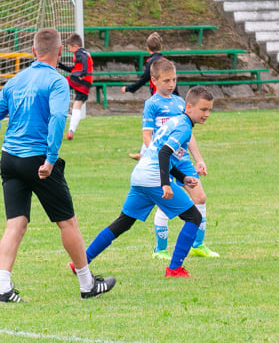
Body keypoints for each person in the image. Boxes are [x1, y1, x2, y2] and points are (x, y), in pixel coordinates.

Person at [0, 28, 116, 302]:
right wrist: (51, 159)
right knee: (68, 223)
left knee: (15, 224)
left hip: (10, 160)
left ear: (33, 52)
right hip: (37, 159)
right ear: (60, 52)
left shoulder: (16, 81)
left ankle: (2, 288)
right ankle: (87, 284)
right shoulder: (56, 82)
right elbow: (57, 119)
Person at [73, 86, 215, 279]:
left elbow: (161, 154)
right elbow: (164, 153)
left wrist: (182, 178)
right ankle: (174, 269)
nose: (207, 114)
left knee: (123, 222)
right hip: (153, 177)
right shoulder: (183, 126)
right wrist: (166, 184)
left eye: (209, 110)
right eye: (203, 109)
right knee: (194, 218)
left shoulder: (175, 121)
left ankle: (81, 262)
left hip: (140, 175)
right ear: (188, 107)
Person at [138, 59, 218, 260]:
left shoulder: (181, 103)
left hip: (182, 160)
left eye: (174, 79)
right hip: (165, 160)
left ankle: (198, 245)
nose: (171, 84)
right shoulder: (152, 104)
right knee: (167, 204)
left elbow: (188, 134)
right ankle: (160, 249)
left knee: (200, 197)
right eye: (166, 80)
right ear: (155, 81)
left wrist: (199, 159)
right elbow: (147, 135)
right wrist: (153, 157)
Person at [121, 32, 164, 159]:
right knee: (156, 125)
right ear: (161, 48)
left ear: (147, 49)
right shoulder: (164, 61)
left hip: (157, 98)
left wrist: (129, 88)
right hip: (167, 98)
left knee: (152, 125)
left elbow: (144, 79)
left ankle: (147, 153)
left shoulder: (151, 62)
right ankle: (144, 152)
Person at [56, 33, 93, 140]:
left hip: (78, 79)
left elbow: (84, 63)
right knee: (77, 105)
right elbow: (74, 68)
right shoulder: (85, 53)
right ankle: (71, 131)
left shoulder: (79, 53)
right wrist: (61, 66)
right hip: (86, 83)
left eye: (69, 48)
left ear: (75, 46)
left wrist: (83, 73)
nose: (69, 50)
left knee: (58, 87)